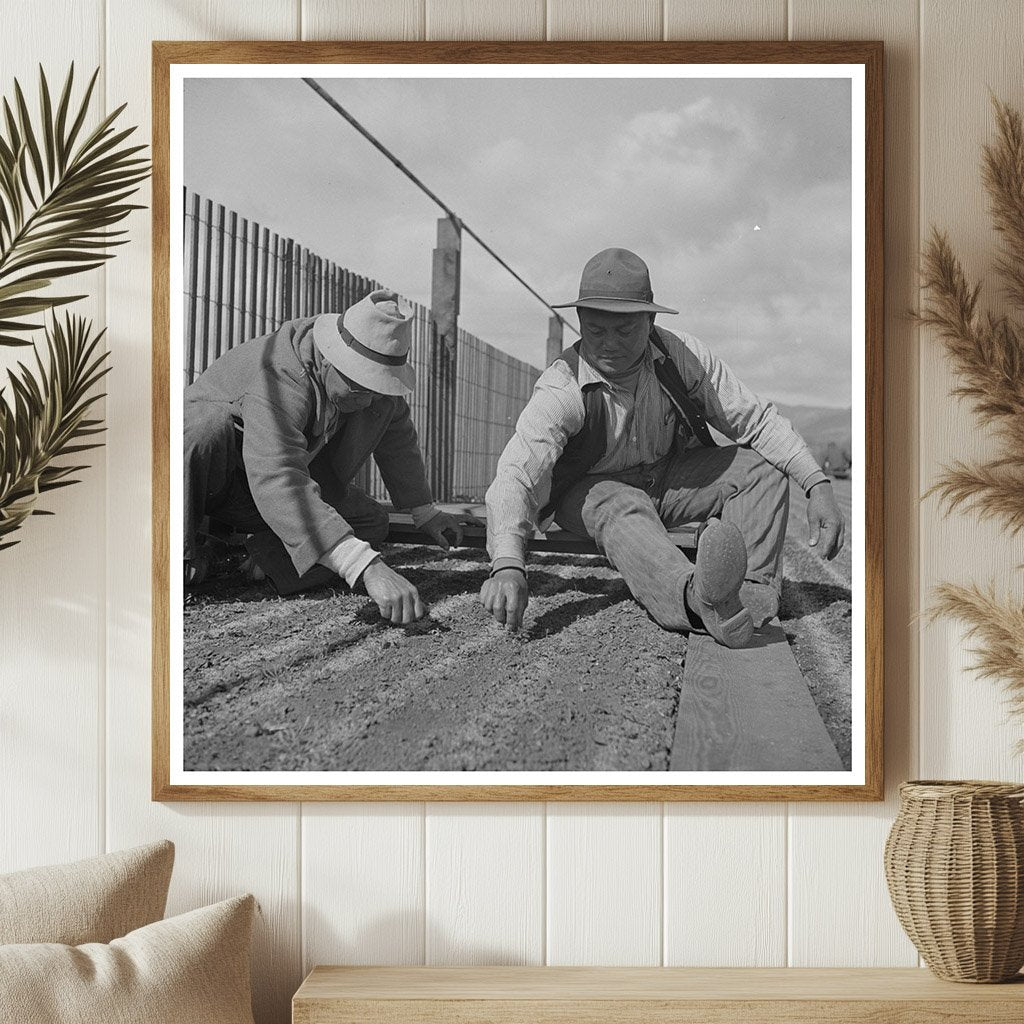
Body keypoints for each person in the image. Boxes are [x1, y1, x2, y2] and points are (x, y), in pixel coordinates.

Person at [480, 248, 845, 648]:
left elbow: (754, 420)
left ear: (650, 320)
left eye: (625, 331)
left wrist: (818, 484)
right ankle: (695, 599)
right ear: (580, 320)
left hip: (668, 476)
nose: (609, 345)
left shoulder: (681, 356)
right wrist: (508, 564)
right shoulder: (562, 387)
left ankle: (750, 595)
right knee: (620, 504)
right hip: (593, 491)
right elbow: (516, 473)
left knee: (760, 470)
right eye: (597, 330)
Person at [183, 289, 477, 624]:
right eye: (360, 390)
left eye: (376, 391)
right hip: (214, 480)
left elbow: (397, 439)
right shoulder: (281, 371)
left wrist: (425, 512)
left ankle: (243, 557)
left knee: (371, 522)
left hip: (265, 493)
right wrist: (366, 567)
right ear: (327, 360)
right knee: (203, 427)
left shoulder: (370, 388)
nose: (368, 403)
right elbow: (277, 473)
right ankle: (175, 556)